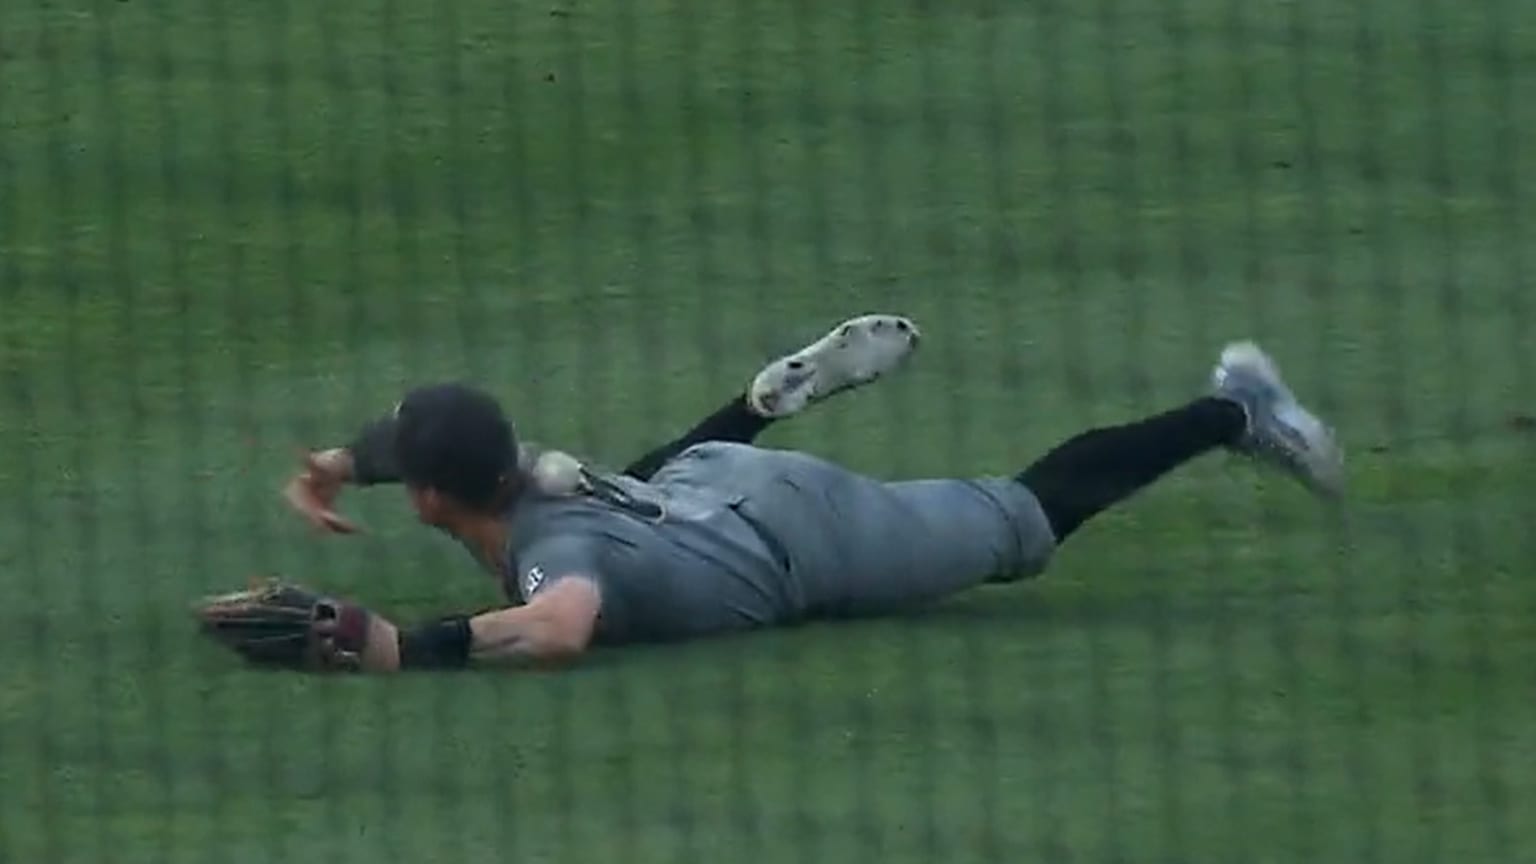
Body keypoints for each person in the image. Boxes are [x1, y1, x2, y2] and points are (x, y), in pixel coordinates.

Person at [199, 326, 1343, 675]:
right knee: (643, 482)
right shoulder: (507, 470)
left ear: (434, 499)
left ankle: (1238, 410)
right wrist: (336, 464)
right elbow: (426, 446)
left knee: (1023, 521)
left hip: (799, 532)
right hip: (691, 488)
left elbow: (559, 626)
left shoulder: (548, 554)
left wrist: (398, 645)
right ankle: (752, 405)